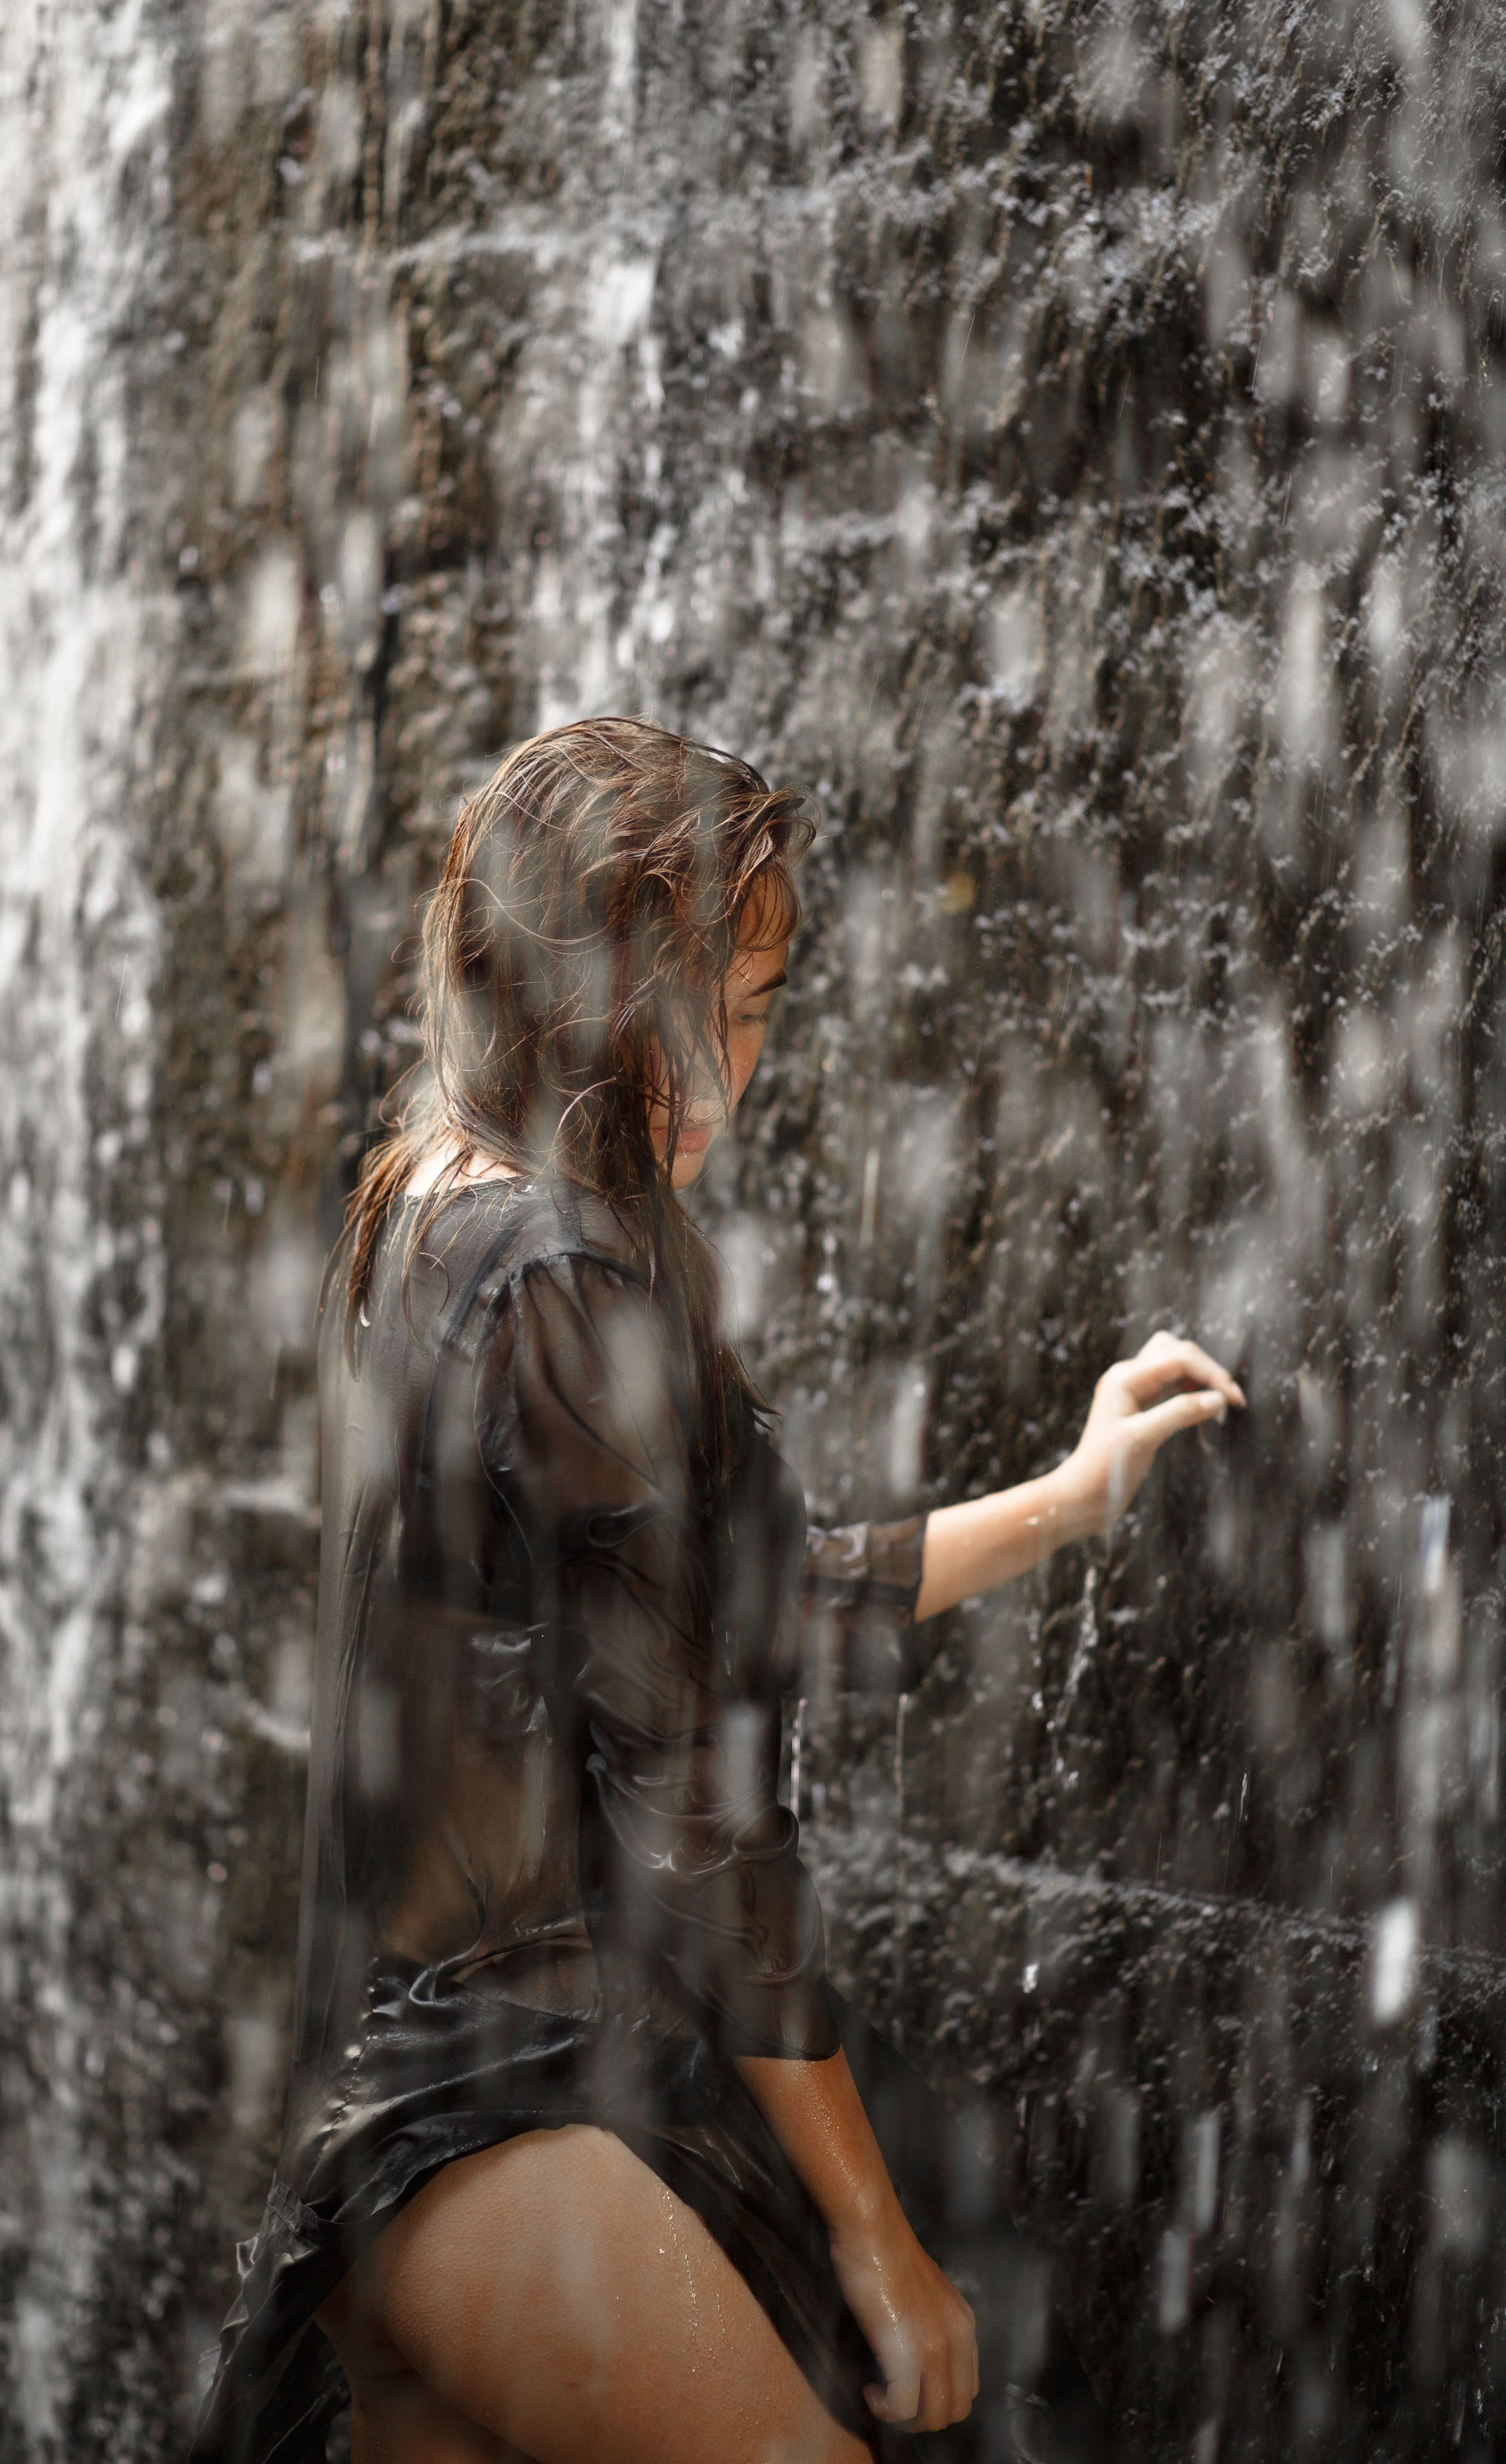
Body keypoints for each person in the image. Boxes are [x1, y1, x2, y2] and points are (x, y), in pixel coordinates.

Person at [191, 718, 1243, 2464]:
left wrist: (1067, 1496)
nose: (716, 1076)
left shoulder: (429, 1202)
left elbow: (727, 1607)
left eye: (747, 1014)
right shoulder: (564, 1269)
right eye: (673, 1007)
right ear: (557, 978)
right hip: (505, 2146)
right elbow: (697, 1817)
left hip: (404, 2154)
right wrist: (882, 2244)